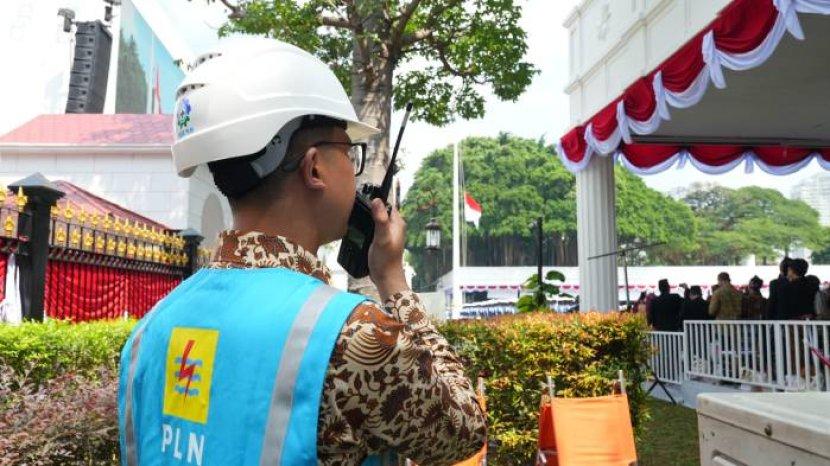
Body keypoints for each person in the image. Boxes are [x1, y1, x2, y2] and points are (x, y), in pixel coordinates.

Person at [117, 38, 486, 465]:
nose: (354, 172)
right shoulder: (355, 334)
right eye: (349, 153)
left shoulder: (148, 333)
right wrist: (392, 279)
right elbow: (464, 433)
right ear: (314, 168)